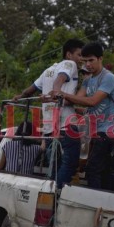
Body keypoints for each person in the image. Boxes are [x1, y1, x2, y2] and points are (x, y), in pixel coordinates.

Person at [12, 38, 85, 188]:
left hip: (49, 128)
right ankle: (55, 191)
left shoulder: (48, 70)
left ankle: (48, 191)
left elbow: (31, 89)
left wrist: (20, 96)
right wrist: (57, 90)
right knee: (71, 163)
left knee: (55, 165)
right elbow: (61, 78)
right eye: (79, 54)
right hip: (65, 124)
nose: (81, 59)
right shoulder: (69, 64)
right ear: (69, 54)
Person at [54, 41, 114, 190]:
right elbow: (77, 98)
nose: (88, 64)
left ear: (100, 59)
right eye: (85, 61)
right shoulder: (88, 80)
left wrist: (62, 93)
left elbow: (91, 101)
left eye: (91, 60)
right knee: (102, 171)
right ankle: (104, 202)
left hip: (108, 130)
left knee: (92, 169)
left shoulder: (108, 78)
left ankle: (93, 202)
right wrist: (54, 96)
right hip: (95, 132)